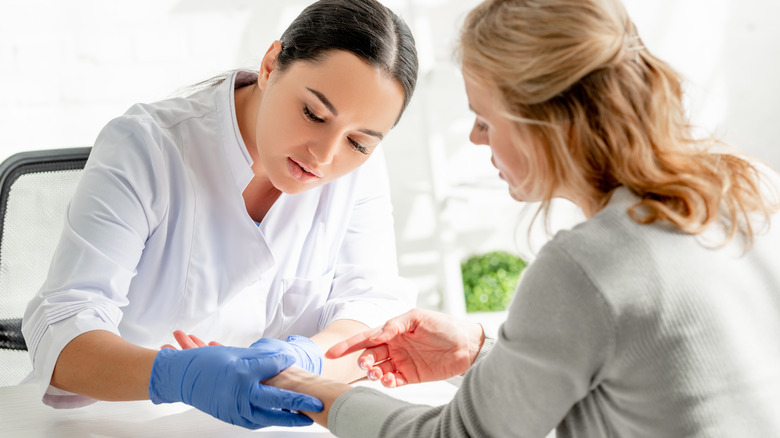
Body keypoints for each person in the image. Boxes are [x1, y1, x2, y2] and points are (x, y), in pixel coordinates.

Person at [253, 0, 780, 436]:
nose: (475, 138)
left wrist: (302, 386)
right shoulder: (749, 186)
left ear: (543, 123)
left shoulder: (586, 266)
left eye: (485, 119)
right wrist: (478, 350)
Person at [21, 0, 419, 429]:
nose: (325, 155)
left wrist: (305, 358)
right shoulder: (146, 148)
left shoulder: (360, 171)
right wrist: (176, 377)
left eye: (358, 142)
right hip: (119, 423)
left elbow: (373, 307)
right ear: (270, 66)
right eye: (313, 114)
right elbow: (62, 327)